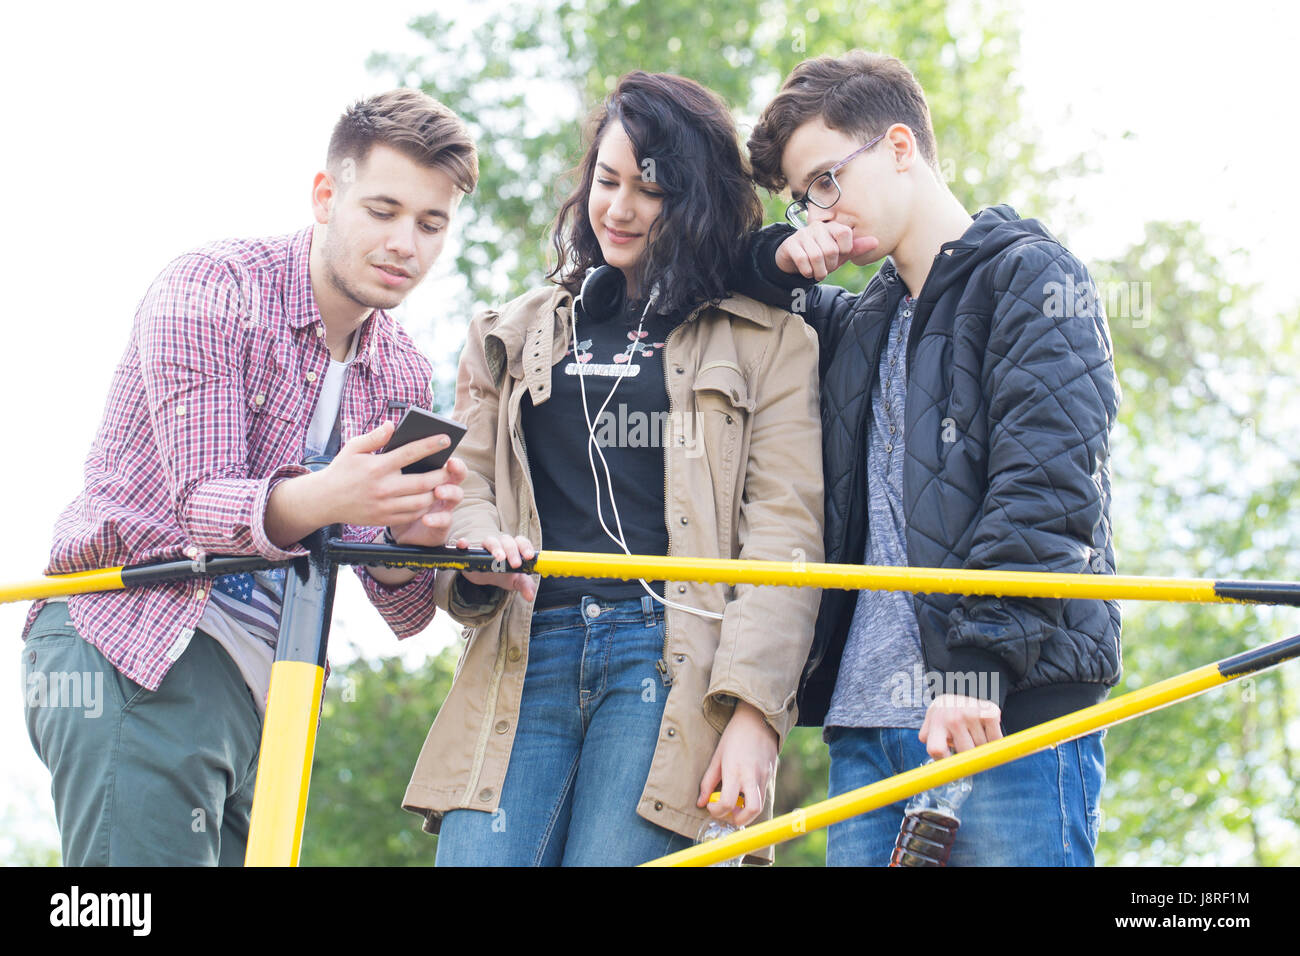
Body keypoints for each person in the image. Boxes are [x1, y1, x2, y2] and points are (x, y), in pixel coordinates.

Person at [21, 89, 477, 866]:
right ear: (325, 196)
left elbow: (397, 603)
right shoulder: (213, 286)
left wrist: (414, 537)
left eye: (430, 224)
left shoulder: (400, 363)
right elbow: (204, 503)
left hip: (272, 690)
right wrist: (335, 495)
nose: (406, 242)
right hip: (138, 641)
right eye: (383, 210)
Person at [402, 71, 824, 866]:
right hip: (523, 655)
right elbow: (471, 484)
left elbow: (785, 536)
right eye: (607, 180)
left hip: (667, 663)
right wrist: (480, 545)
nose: (619, 209)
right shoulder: (508, 331)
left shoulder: (770, 343)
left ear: (695, 199)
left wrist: (755, 714)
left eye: (651, 190)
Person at [737, 51, 1121, 866]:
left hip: (1004, 715)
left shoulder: (1032, 277)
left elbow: (1049, 493)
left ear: (901, 147)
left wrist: (975, 673)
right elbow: (717, 278)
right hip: (867, 733)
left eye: (826, 182)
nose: (819, 212)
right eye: (804, 198)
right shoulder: (856, 321)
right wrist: (779, 254)